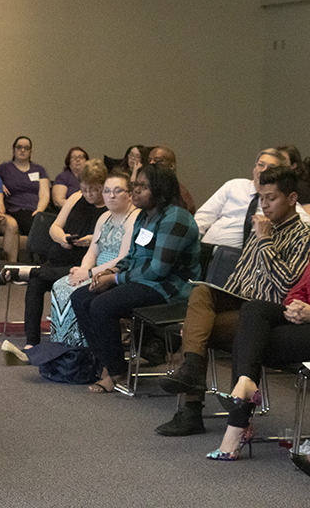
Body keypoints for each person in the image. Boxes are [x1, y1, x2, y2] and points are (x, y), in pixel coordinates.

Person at [156, 165, 310, 435]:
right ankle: (192, 374)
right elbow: (240, 276)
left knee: (197, 332)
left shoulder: (303, 237)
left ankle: (190, 410)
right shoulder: (261, 227)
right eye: (261, 198)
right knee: (201, 293)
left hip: (265, 316)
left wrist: (265, 241)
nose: (264, 205)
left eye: (271, 198)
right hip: (239, 303)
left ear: (292, 198)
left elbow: (286, 285)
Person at [70, 164, 201, 394]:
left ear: (160, 189)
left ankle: (115, 371)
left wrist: (115, 279)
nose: (136, 191)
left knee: (102, 305)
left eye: (143, 187)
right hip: (141, 281)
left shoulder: (176, 217)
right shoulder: (144, 216)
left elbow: (158, 270)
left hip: (169, 289)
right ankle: (106, 363)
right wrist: (110, 272)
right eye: (135, 185)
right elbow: (131, 256)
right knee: (81, 297)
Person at [206, 268, 310, 460]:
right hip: (303, 319)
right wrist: (295, 307)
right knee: (253, 309)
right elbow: (299, 289)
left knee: (249, 341)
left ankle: (236, 428)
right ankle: (245, 382)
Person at [18, 159, 109, 348]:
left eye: (94, 190)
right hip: (60, 257)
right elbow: (55, 227)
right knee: (36, 283)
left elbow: (113, 238)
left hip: (83, 264)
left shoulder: (111, 205)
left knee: (39, 275)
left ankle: (29, 271)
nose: (89, 194)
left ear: (103, 186)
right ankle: (31, 342)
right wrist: (63, 238)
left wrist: (91, 240)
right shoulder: (76, 198)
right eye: (85, 189)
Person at [47, 171, 138, 347]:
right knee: (61, 286)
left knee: (76, 293)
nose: (111, 195)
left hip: (115, 274)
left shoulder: (134, 218)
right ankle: (64, 349)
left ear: (129, 195)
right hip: (95, 270)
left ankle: (86, 349)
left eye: (118, 191)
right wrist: (82, 271)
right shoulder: (104, 217)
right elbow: (92, 251)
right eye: (107, 191)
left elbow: (123, 258)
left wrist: (89, 273)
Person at [193, 148, 285, 249]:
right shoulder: (234, 186)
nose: (263, 171)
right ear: (254, 169)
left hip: (239, 255)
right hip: (205, 248)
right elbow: (204, 217)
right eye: (260, 165)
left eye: (271, 167)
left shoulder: (281, 202)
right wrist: (190, 242)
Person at [0, 136, 50, 236]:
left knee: (55, 225)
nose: (22, 150)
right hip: (17, 209)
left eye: (26, 148)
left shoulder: (39, 169)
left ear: (30, 151)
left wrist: (39, 211)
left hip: (38, 209)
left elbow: (45, 194)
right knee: (36, 227)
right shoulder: (4, 168)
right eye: (19, 147)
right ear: (13, 150)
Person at [148, 146, 196, 214]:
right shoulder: (150, 189)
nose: (151, 163)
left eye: (158, 161)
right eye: (149, 160)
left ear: (171, 166)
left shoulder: (179, 194)